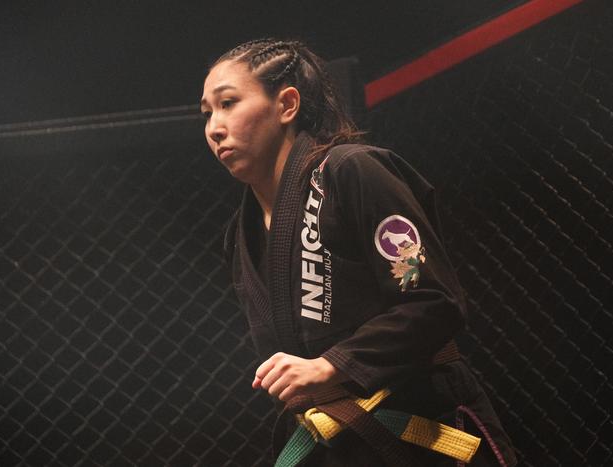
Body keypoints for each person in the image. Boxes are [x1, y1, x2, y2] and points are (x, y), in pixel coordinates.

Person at [201, 38, 517, 466]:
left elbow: (433, 300)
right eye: (207, 113)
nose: (214, 127)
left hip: (424, 433)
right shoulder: (241, 235)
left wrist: (332, 366)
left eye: (228, 103)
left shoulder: (352, 172)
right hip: (337, 449)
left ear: (287, 105)